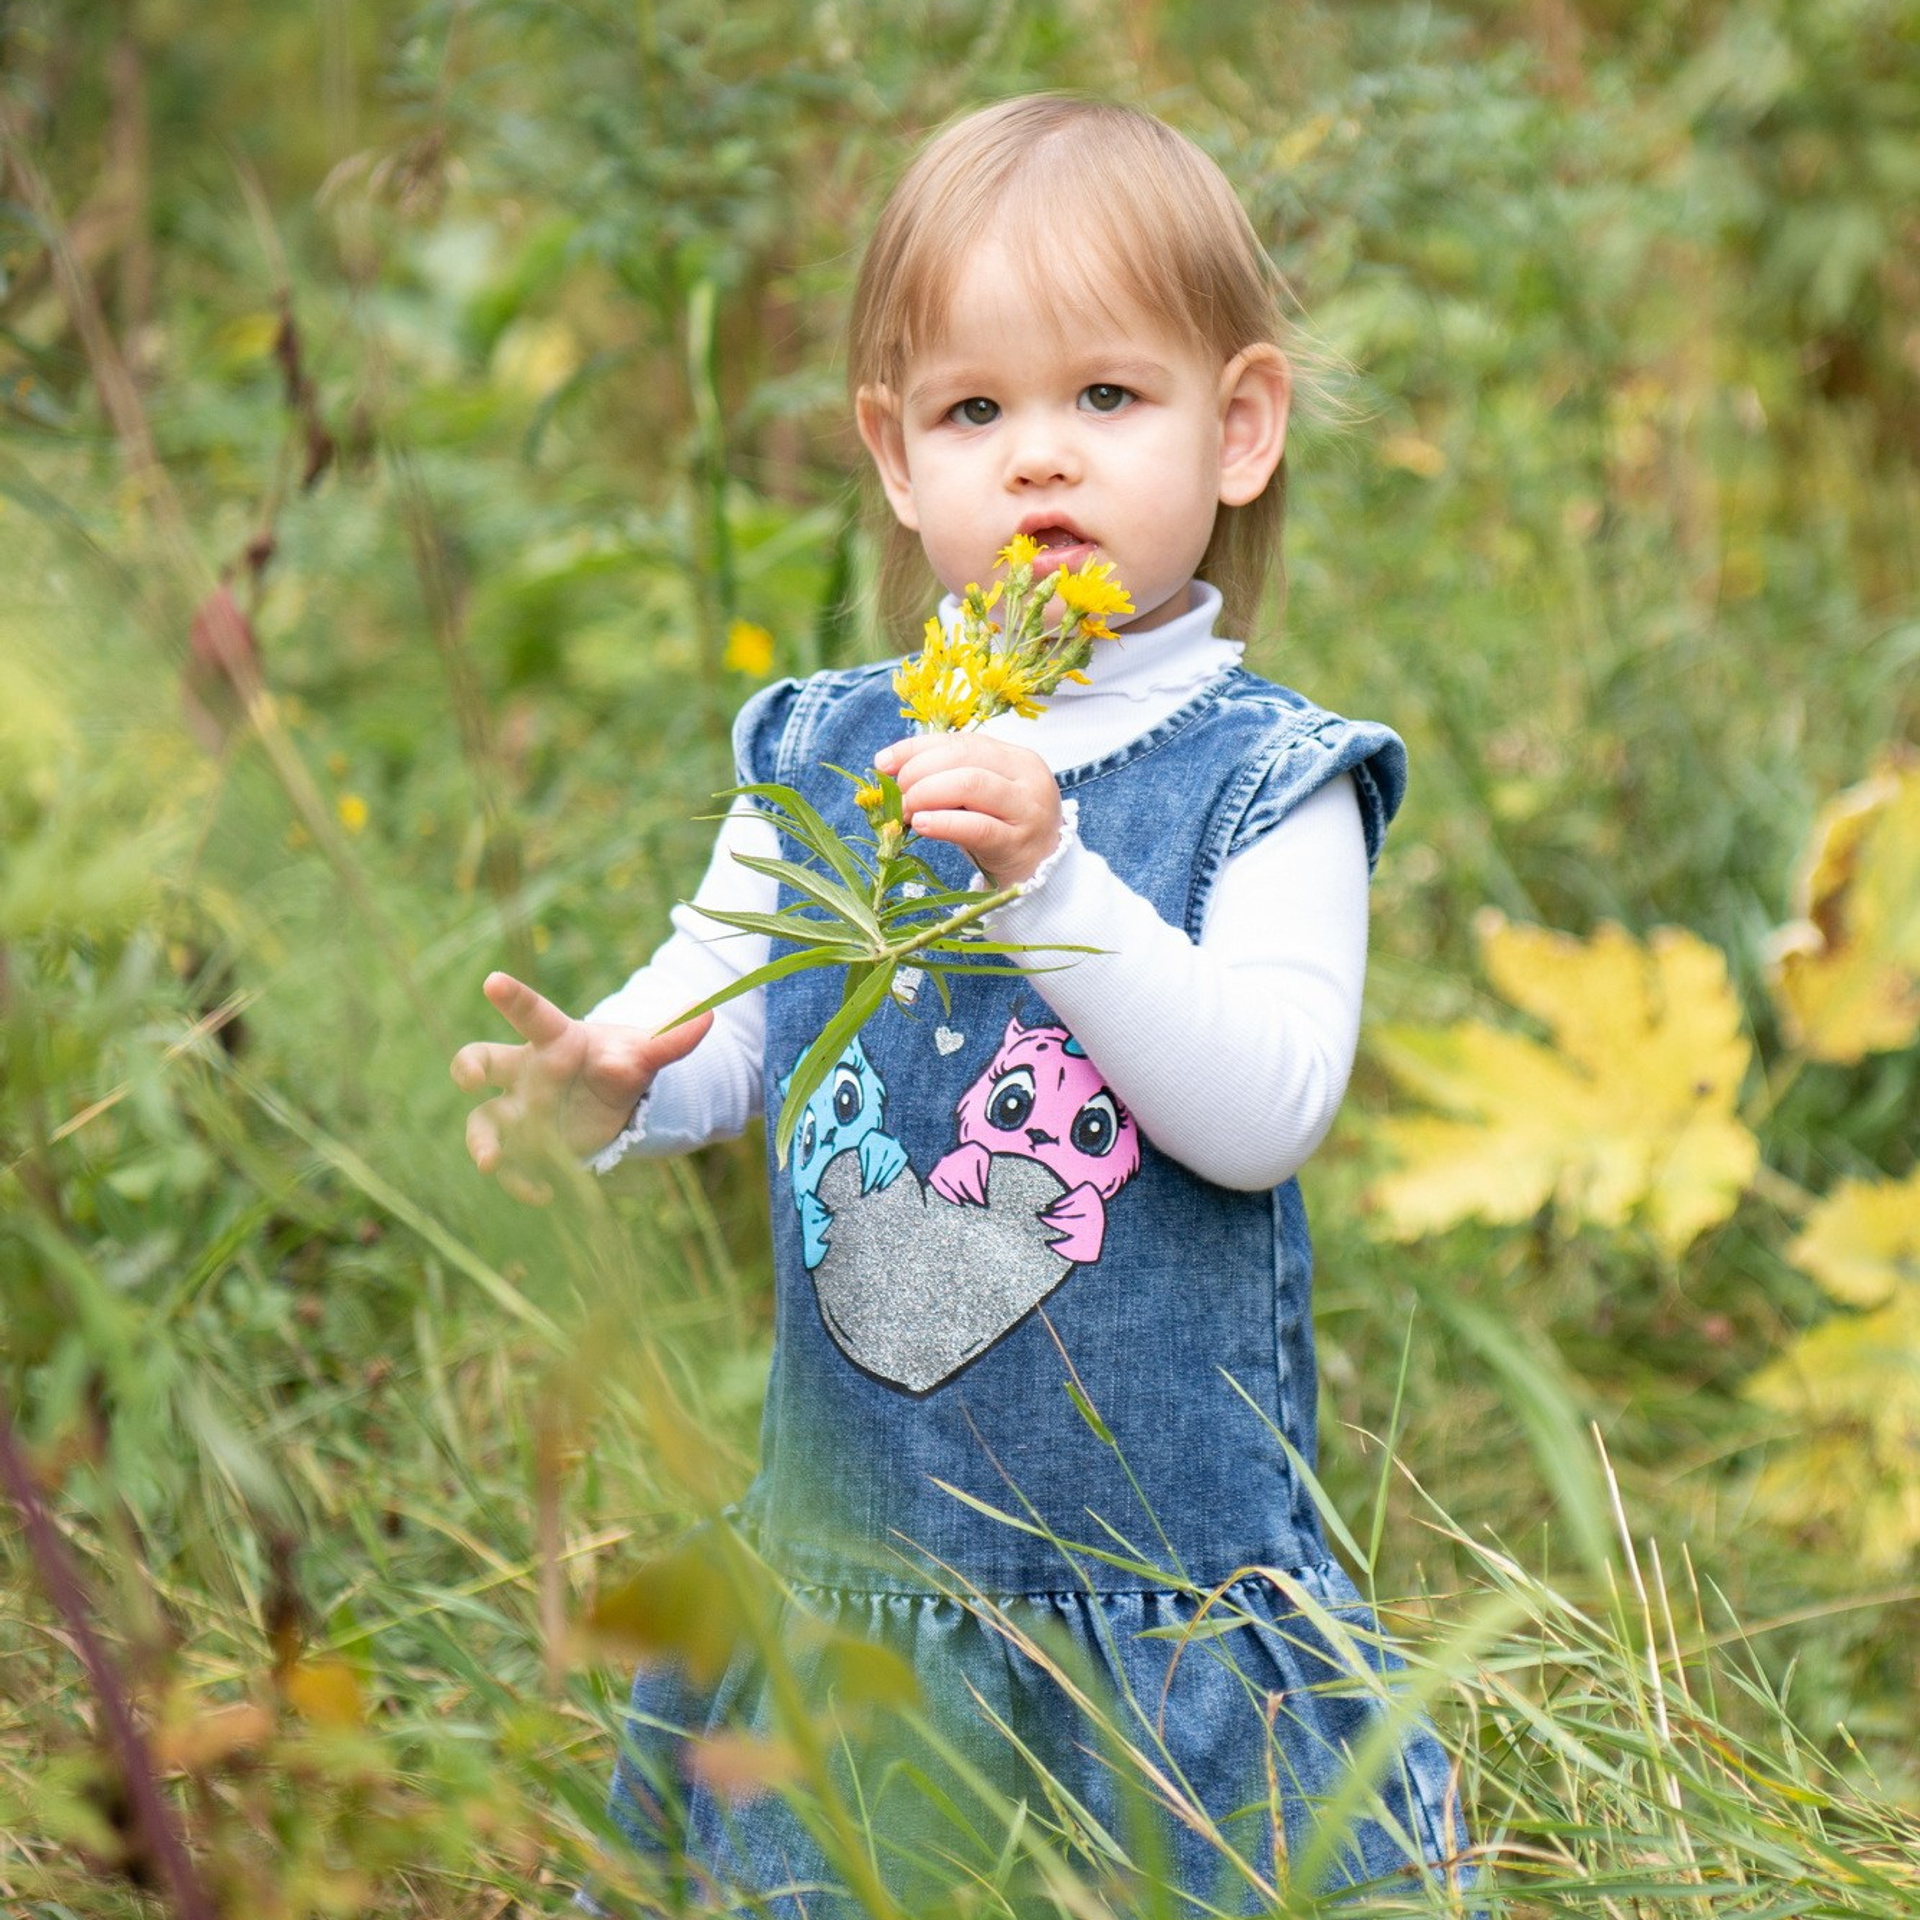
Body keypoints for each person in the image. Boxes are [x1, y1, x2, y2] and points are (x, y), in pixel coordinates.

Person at [453, 94, 1468, 1915]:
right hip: (868, 1574)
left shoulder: (1266, 778)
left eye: (1105, 397)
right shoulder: (838, 744)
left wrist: (1055, 881)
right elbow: (733, 1006)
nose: (1036, 461)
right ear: (895, 455)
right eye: (973, 410)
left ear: (1238, 429)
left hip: (1152, 1592)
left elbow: (1266, 1107)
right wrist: (616, 1075)